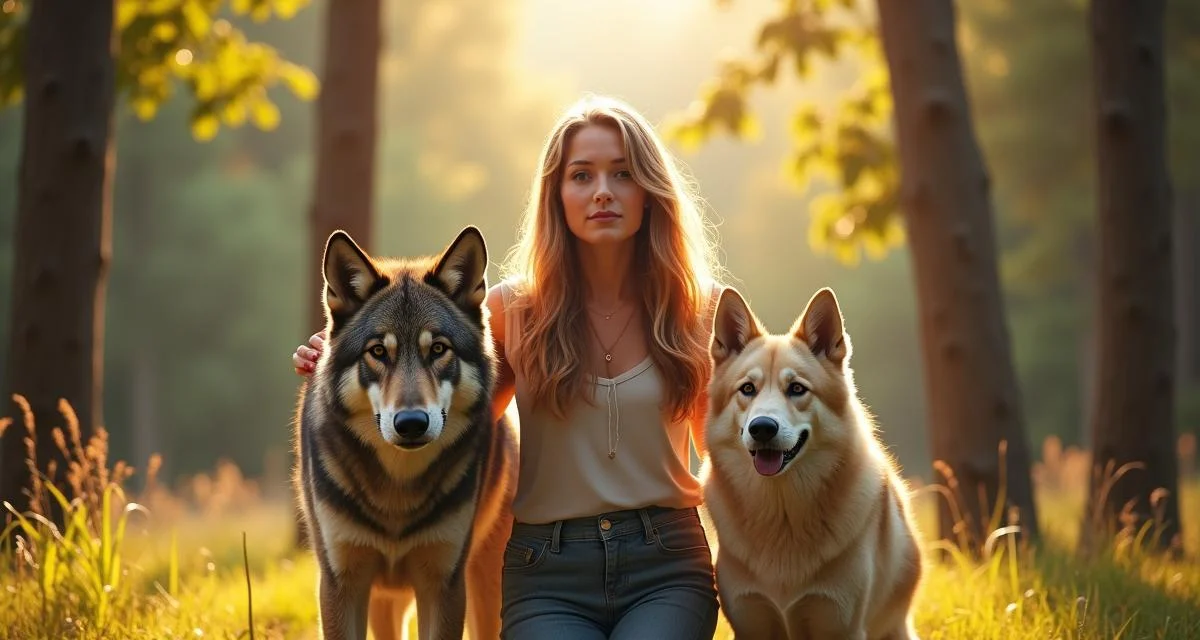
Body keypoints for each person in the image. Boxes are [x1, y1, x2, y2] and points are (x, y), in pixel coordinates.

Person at [292, 95, 725, 639]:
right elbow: (451, 413)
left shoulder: (701, 310)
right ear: (556, 194)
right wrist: (340, 352)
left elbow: (729, 460)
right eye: (581, 176)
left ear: (651, 192)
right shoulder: (509, 310)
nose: (602, 192)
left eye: (623, 174)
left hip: (666, 563)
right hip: (548, 568)